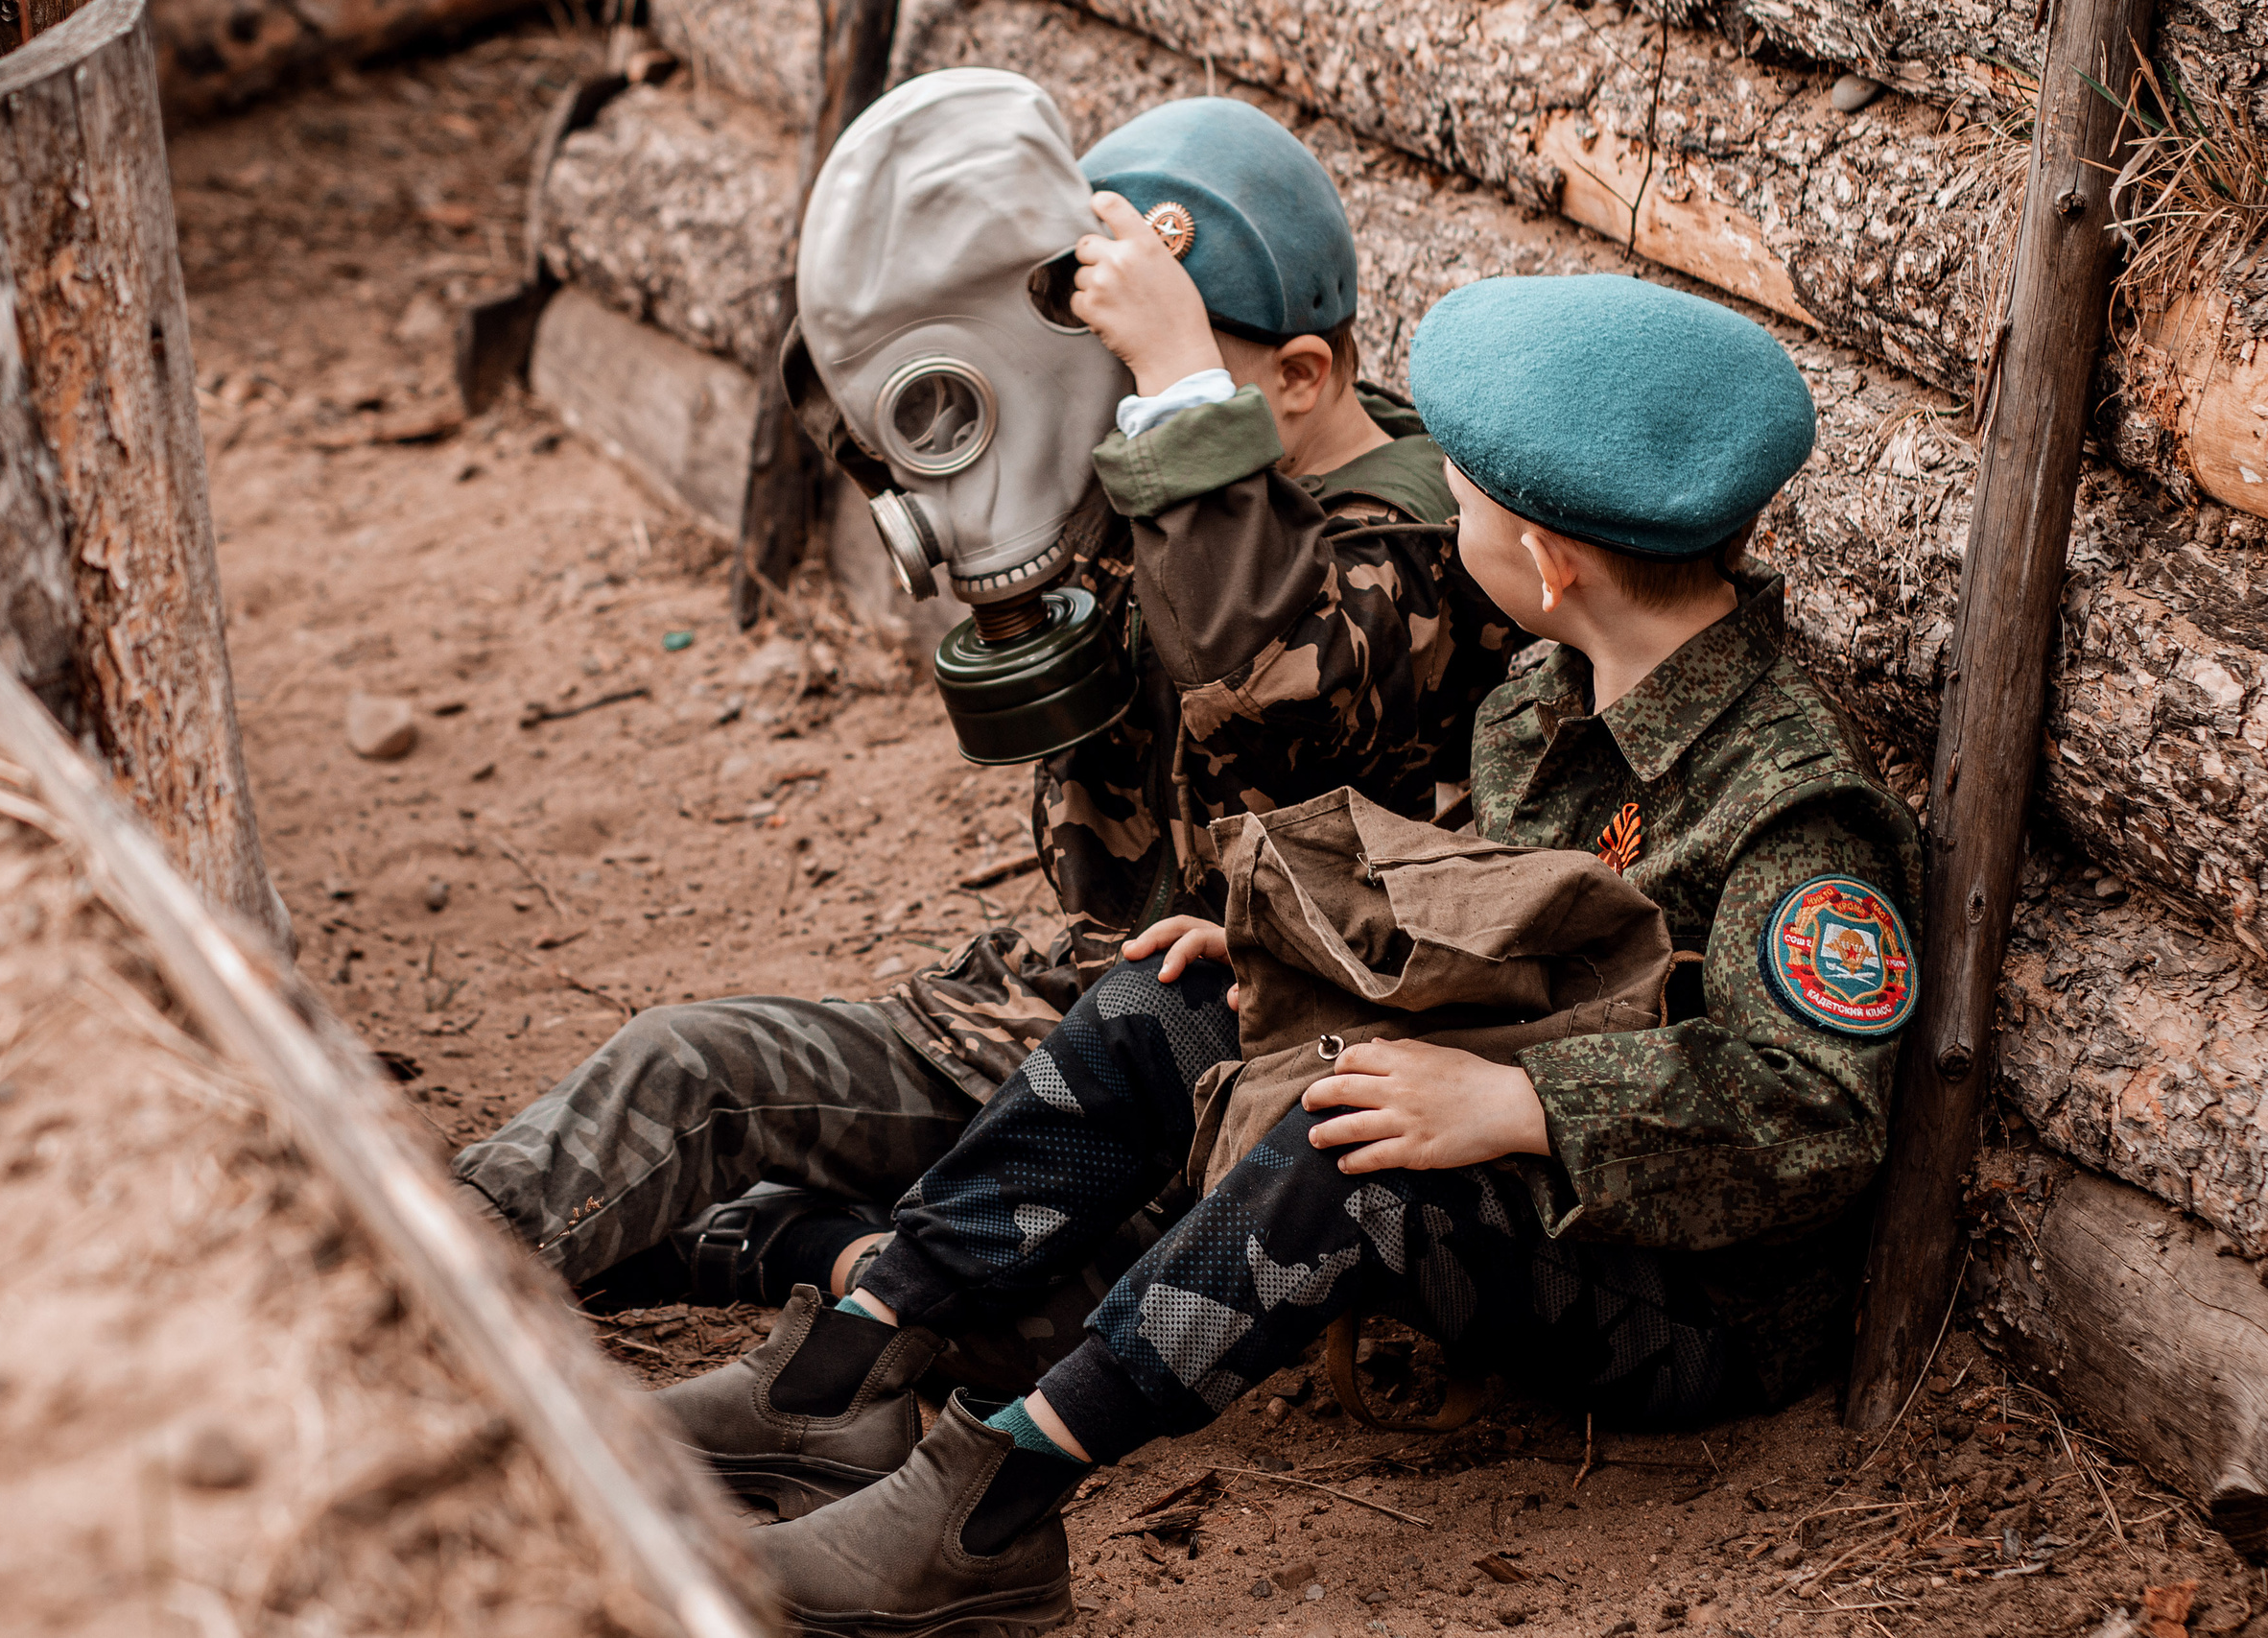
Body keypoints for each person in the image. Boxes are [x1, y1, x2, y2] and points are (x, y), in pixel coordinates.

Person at [663, 272, 1925, 1637]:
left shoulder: (1793, 810)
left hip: (1687, 1296)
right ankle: (849, 1361)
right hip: (1534, 1151)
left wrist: (1521, 1103)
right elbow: (1498, 929)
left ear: (1551, 565)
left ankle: (996, 1501)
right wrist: (1294, 947)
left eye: (1468, 495)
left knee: (1354, 1145)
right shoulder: (1548, 697)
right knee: (1176, 992)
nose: (1448, 504)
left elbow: (1811, 1111)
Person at [448, 94, 1516, 1321]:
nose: (1103, 419)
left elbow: (1260, 682)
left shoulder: (1420, 545)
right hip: (1062, 1009)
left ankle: (793, 1257)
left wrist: (1172, 386)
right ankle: (403, 1268)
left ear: (1298, 378)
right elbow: (910, 423)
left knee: (1026, 1304)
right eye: (1095, 378)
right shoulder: (1158, 478)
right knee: (688, 1068)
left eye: (1146, 380)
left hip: (1231, 1076)